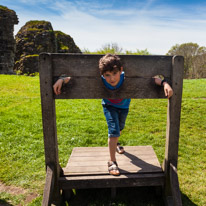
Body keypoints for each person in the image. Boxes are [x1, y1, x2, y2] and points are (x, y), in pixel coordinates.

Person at [53, 53, 173, 176]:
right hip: (109, 106)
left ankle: (117, 144)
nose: (112, 79)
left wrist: (165, 83)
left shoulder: (127, 77)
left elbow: (151, 79)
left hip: (124, 106)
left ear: (121, 70)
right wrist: (61, 79)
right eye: (107, 75)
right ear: (102, 74)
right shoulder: (101, 80)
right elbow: (74, 78)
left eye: (115, 74)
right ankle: (112, 161)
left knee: (120, 128)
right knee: (114, 130)